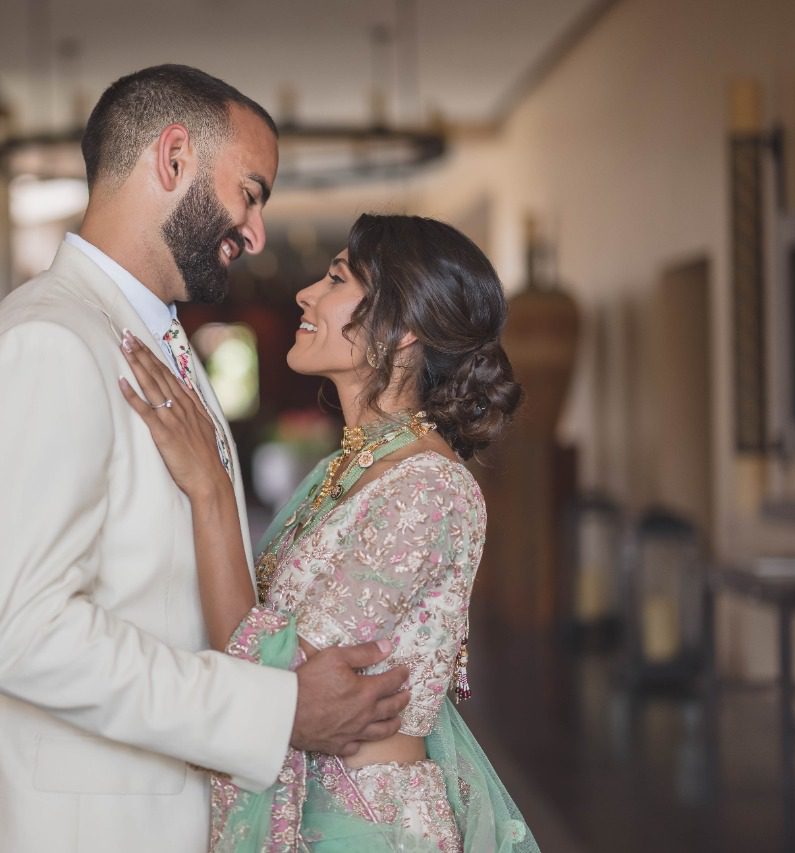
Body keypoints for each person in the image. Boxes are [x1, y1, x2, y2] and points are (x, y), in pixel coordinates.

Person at [0, 66, 415, 852]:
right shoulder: (46, 344)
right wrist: (275, 709)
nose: (255, 232)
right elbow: (23, 631)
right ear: (174, 158)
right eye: (250, 192)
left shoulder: (151, 339)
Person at [120, 213, 540, 851]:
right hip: (314, 820)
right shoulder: (346, 468)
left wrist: (209, 491)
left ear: (403, 331)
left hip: (368, 829)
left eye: (337, 279)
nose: (306, 294)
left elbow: (277, 682)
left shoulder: (428, 488)